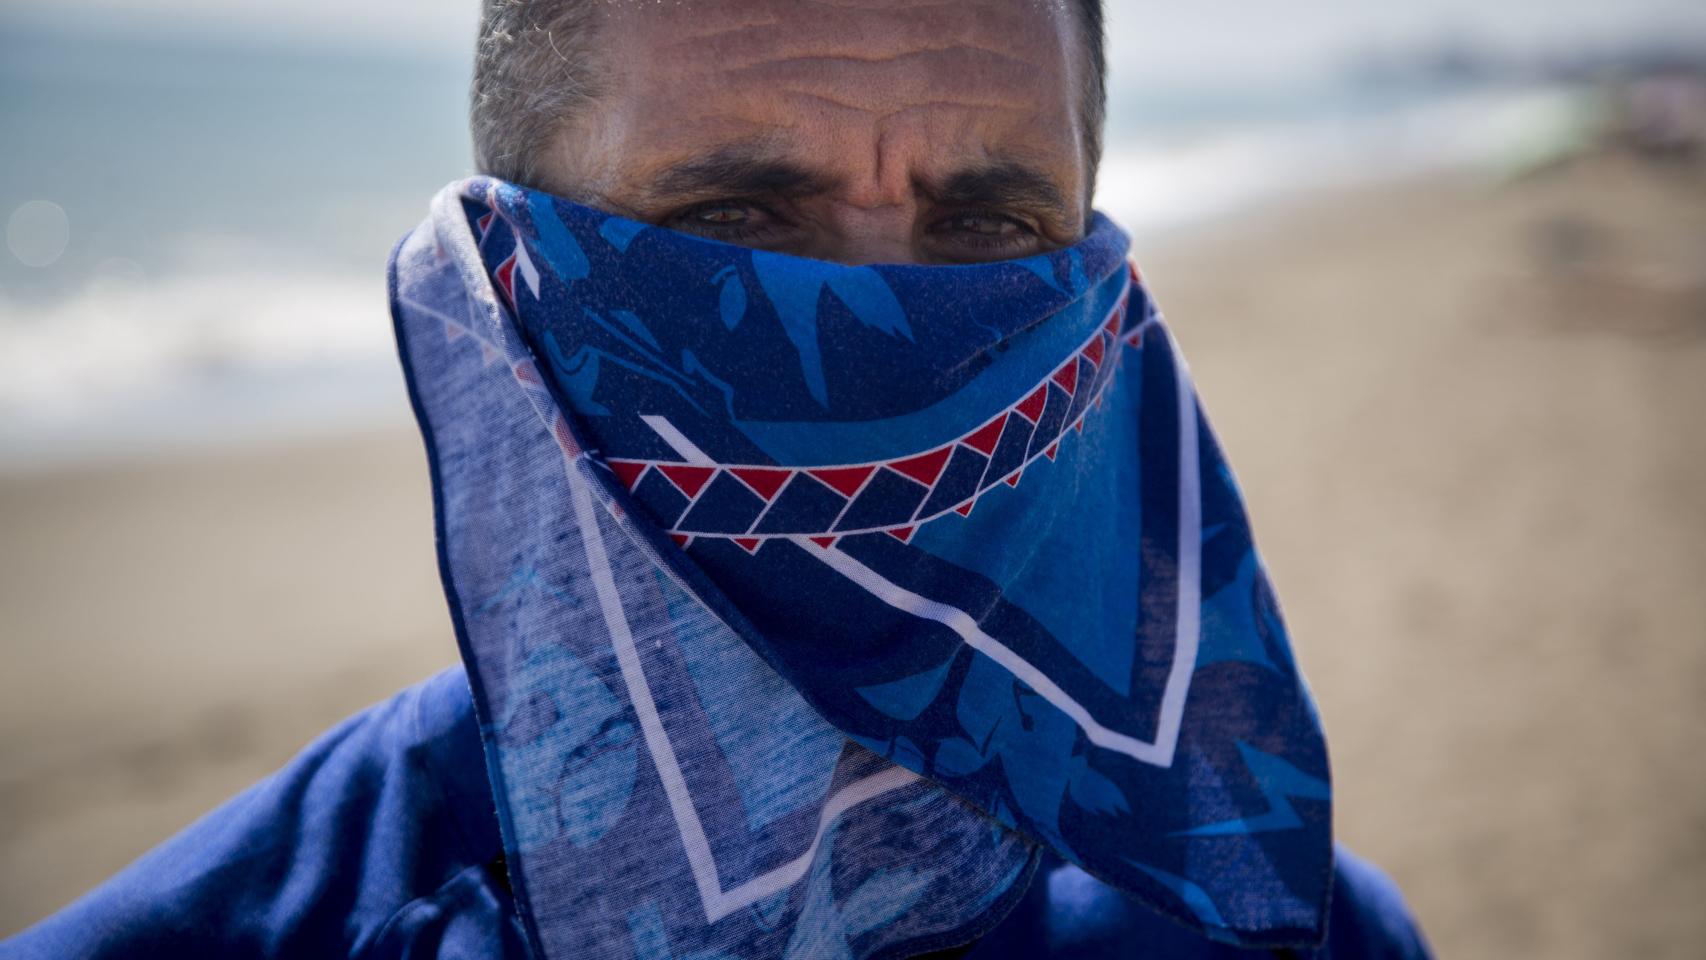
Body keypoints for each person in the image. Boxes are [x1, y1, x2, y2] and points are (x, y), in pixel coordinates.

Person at [2, 2, 1433, 958]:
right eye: (738, 216)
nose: (881, 349)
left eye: (992, 223)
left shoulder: (1273, 927)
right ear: (511, 285)